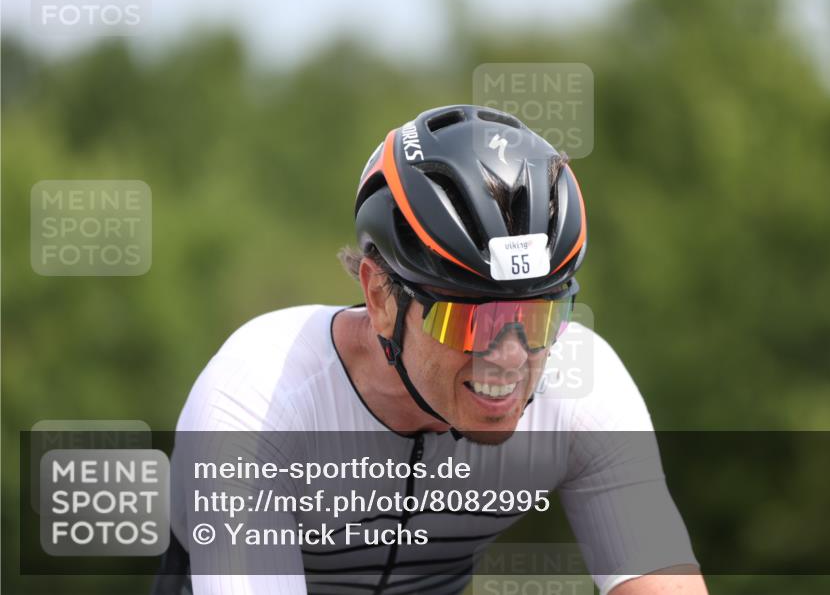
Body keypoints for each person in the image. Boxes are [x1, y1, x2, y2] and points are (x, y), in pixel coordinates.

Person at [159, 105, 709, 595]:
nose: (511, 356)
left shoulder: (584, 392)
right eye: (472, 320)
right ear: (379, 296)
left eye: (539, 316)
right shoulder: (258, 397)